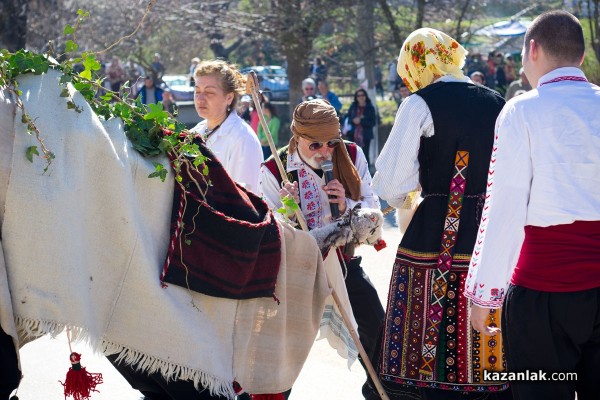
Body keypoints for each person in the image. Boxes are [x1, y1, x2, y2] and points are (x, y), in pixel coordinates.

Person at [465, 10, 600, 400]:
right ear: (581, 55)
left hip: (544, 292)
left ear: (533, 50)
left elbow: (504, 208)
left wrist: (484, 294)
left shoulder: (522, 110)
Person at [372, 28, 511, 399]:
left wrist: (413, 197)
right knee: (488, 352)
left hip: (436, 234)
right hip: (490, 234)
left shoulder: (419, 104)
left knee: (423, 356)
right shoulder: (498, 102)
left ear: (415, 64)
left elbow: (389, 186)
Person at [259, 98, 385, 400]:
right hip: (297, 272)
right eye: (314, 145)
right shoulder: (274, 169)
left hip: (343, 263)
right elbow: (266, 231)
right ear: (297, 138)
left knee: (378, 332)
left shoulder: (351, 154)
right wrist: (287, 212)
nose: (326, 152)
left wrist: (346, 204)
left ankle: (382, 393)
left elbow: (374, 211)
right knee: (280, 350)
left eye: (331, 143)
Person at [191, 59, 263, 193]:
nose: (200, 99)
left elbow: (246, 199)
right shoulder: (195, 133)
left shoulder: (243, 139)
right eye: (197, 91)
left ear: (229, 97)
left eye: (209, 92)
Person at [345, 88, 376, 166]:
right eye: (358, 95)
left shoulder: (370, 107)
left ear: (365, 96)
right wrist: (353, 120)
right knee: (352, 155)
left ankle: (366, 175)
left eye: (362, 95)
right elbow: (347, 117)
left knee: (365, 156)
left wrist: (361, 121)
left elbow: (373, 122)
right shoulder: (353, 106)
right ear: (356, 97)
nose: (361, 97)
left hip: (365, 136)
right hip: (353, 134)